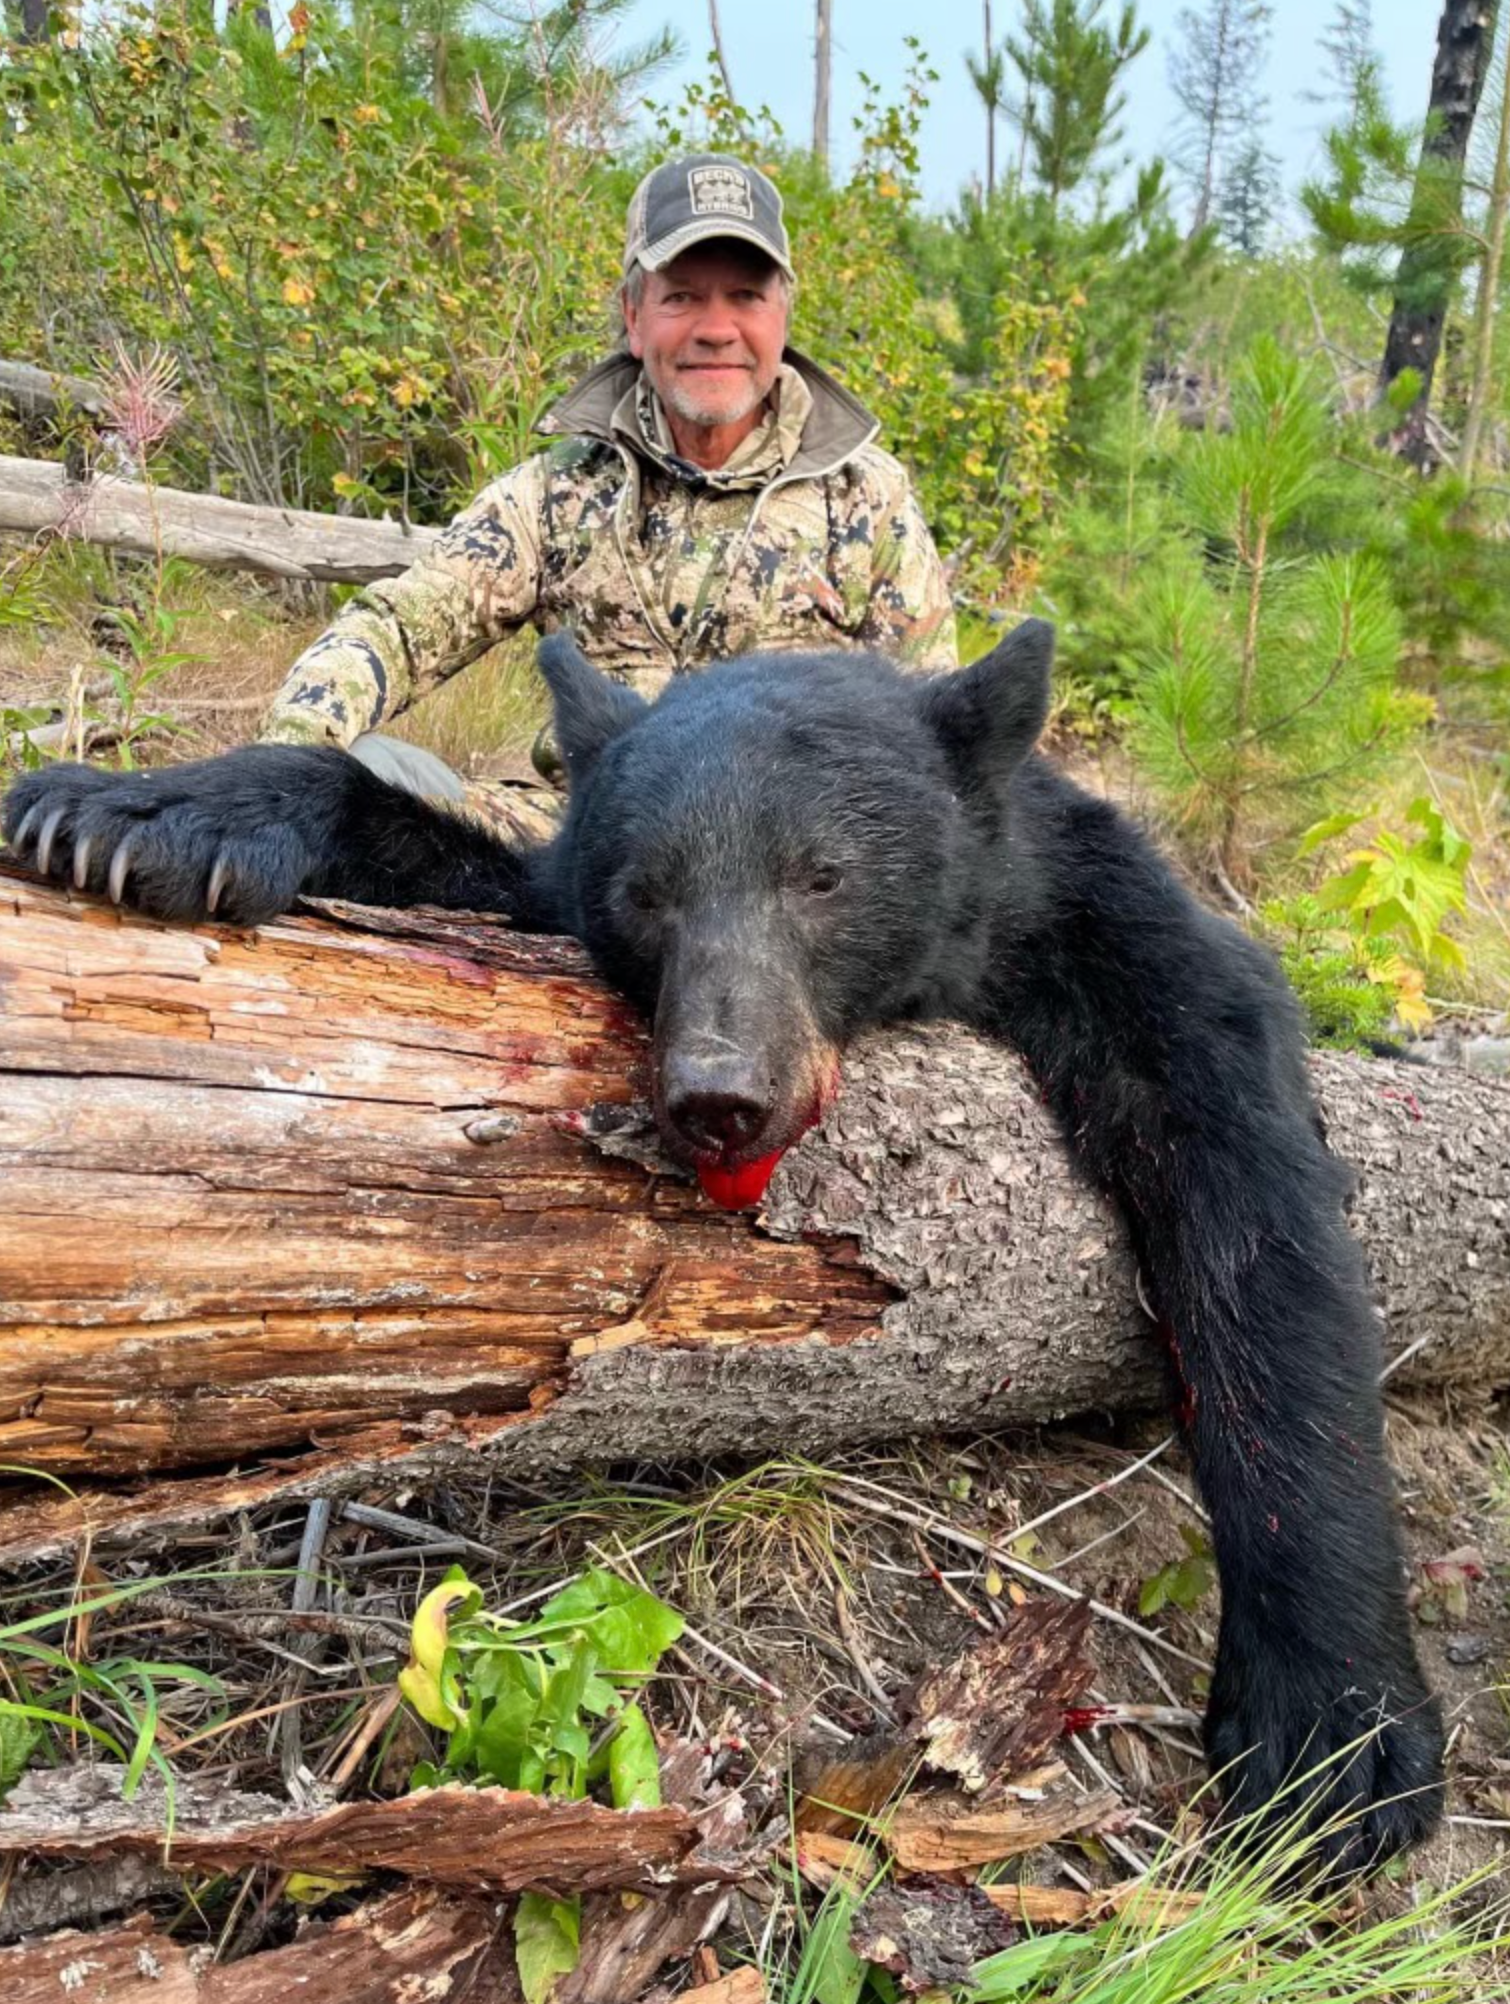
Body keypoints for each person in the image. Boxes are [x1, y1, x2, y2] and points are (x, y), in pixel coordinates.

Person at [256, 152, 958, 810]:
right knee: (362, 785)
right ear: (633, 316)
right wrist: (282, 762)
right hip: (581, 846)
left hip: (786, 875)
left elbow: (938, 734)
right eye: (682, 298)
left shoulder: (865, 500)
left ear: (783, 315)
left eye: (745, 296)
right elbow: (399, 629)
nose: (717, 329)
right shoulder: (560, 493)